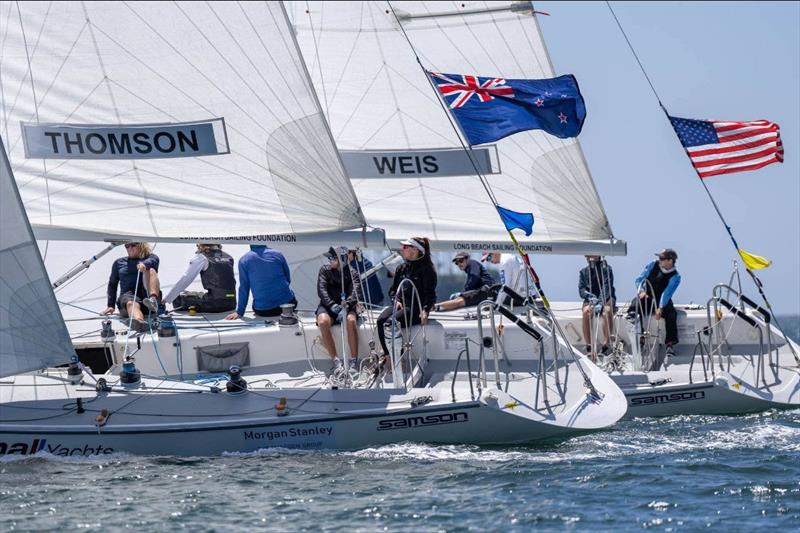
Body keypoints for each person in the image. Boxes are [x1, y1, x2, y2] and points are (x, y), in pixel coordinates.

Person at [376, 237, 437, 358]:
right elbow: (393, 290)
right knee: (380, 320)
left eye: (405, 247)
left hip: (415, 309)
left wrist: (425, 310)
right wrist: (396, 300)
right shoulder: (401, 268)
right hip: (400, 305)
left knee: (389, 323)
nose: (401, 249)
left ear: (415, 250)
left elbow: (430, 294)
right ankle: (388, 355)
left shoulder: (427, 270)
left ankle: (398, 356)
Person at [627, 248, 681, 357]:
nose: (659, 260)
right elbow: (640, 279)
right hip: (646, 296)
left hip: (662, 300)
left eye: (662, 258)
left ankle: (670, 345)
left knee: (671, 314)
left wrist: (660, 307)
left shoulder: (676, 277)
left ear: (670, 261)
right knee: (634, 306)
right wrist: (641, 291)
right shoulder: (652, 265)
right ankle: (640, 337)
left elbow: (667, 293)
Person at [317, 246, 362, 370]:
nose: (329, 261)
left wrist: (346, 306)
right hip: (328, 306)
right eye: (329, 258)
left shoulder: (353, 273)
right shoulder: (324, 270)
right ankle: (336, 360)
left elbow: (356, 293)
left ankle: (353, 360)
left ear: (341, 259)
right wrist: (332, 305)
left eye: (332, 258)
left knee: (351, 321)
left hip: (347, 307)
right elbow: (322, 290)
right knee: (322, 321)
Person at [102, 242, 161, 332]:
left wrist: (144, 265)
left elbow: (153, 261)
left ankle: (153, 300)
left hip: (148, 302)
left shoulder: (151, 258)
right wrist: (111, 305)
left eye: (133, 245)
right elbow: (112, 284)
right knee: (131, 303)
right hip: (128, 299)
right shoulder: (119, 263)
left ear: (141, 245)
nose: (130, 248)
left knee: (151, 270)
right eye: (127, 246)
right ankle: (139, 322)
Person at [225, 245, 296, 320]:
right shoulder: (278, 254)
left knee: (257, 304)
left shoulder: (244, 260)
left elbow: (244, 288)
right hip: (289, 306)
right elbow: (287, 278)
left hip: (265, 311)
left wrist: (239, 312)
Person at [163, 243, 236, 313]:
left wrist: (166, 300)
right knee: (197, 294)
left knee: (177, 299)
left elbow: (185, 279)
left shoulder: (201, 257)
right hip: (231, 303)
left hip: (215, 303)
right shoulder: (228, 257)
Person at [579, 255, 616, 357]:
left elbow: (606, 286)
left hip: (607, 298)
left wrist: (600, 302)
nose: (588, 256)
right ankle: (589, 347)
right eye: (587, 255)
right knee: (586, 312)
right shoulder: (583, 272)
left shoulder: (606, 269)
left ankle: (606, 345)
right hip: (591, 299)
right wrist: (589, 296)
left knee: (607, 311)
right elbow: (581, 290)